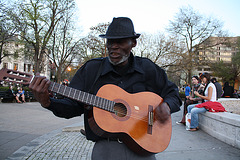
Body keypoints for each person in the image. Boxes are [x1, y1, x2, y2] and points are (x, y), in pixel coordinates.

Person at [29, 17, 182, 160]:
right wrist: (48, 102)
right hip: (106, 148)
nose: (113, 46)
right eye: (110, 41)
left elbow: (172, 93)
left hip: (144, 145)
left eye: (120, 41)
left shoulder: (147, 68)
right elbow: (72, 108)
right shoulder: (91, 70)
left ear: (133, 43)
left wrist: (167, 106)